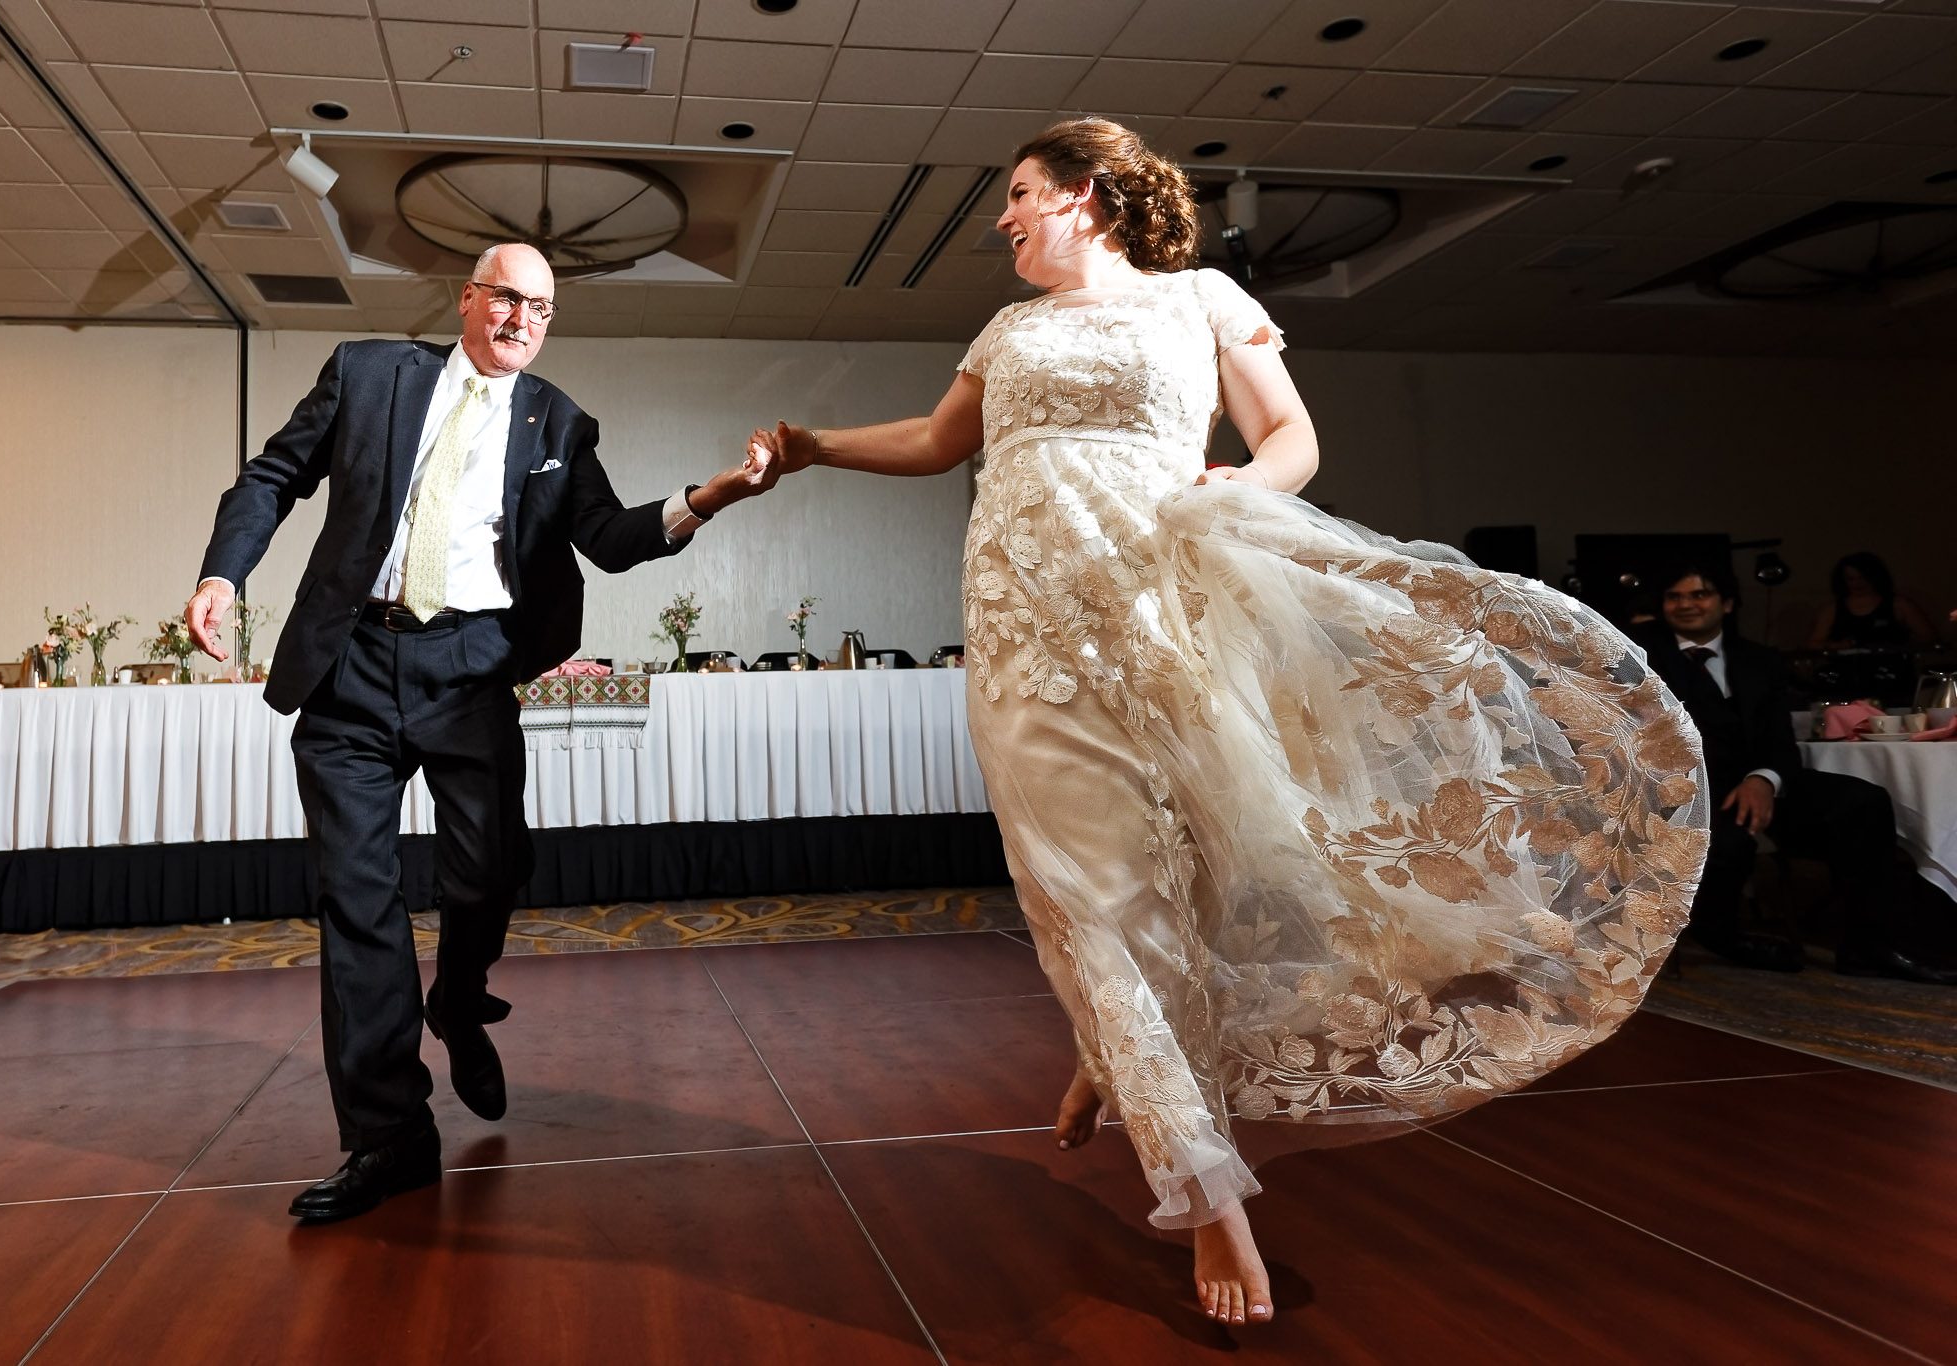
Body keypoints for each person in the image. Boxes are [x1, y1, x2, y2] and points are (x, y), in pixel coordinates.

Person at [747, 118, 1709, 1326]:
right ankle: (1212, 1206)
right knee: (1096, 892)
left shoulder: (1200, 299)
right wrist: (810, 448)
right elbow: (943, 443)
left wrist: (1238, 485)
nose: (1001, 218)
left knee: (1202, 871)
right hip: (1028, 635)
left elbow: (1291, 440)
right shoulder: (1009, 330)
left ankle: (1115, 1051)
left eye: (1020, 194)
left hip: (1166, 609)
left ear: (1087, 197)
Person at [186, 243, 782, 1224]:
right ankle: (388, 1138)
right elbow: (273, 476)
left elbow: (612, 538)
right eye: (506, 296)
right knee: (358, 904)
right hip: (351, 667)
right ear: (466, 297)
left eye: (540, 308)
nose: (520, 320)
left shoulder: (554, 418)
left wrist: (713, 493)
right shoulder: (368, 372)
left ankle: (458, 1000)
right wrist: (222, 574)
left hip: (469, 670)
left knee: (489, 869)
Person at [1645, 566, 1957, 984]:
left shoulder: (1760, 659)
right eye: (1674, 597)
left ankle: (1870, 945)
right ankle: (1723, 935)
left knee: (1862, 801)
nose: (1686, 604)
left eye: (1699, 594)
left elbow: (1780, 740)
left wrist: (1764, 780)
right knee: (1727, 842)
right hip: (1685, 791)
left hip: (1759, 782)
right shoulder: (1641, 658)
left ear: (1727, 603)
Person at [1806, 552, 1936, 648]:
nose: (1857, 584)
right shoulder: (1831, 609)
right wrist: (1836, 645)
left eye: (1863, 578)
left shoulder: (1900, 605)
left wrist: (1897, 644)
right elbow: (1813, 644)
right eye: (1851, 579)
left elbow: (1929, 638)